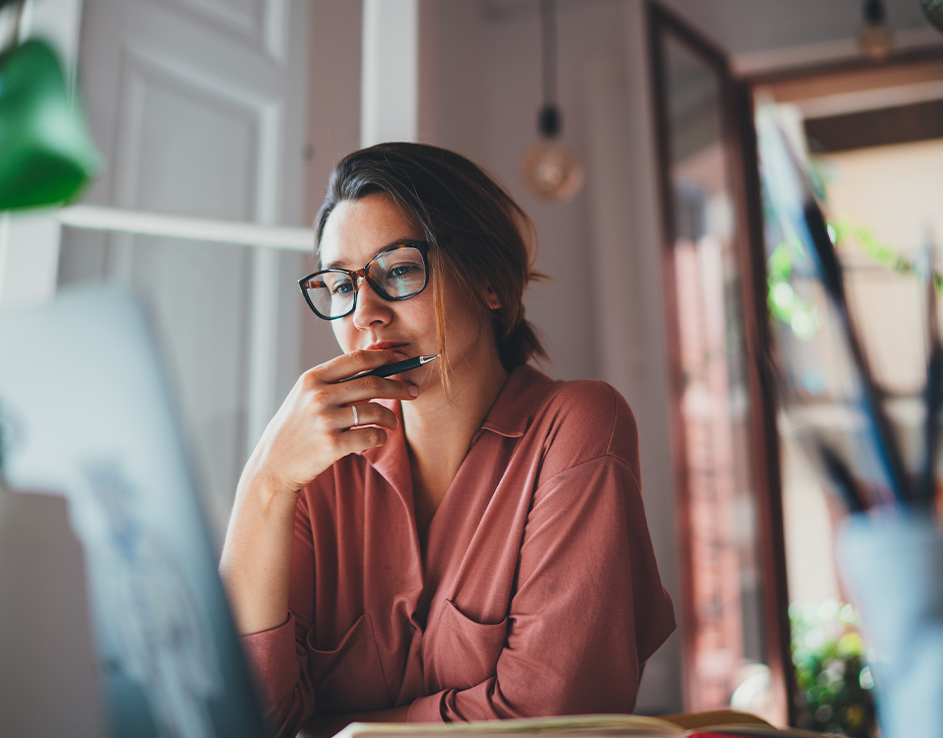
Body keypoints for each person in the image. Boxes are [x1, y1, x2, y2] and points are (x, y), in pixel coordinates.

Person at [220, 143, 676, 738]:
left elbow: (548, 719)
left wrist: (333, 728)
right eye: (339, 285)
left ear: (489, 280)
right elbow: (240, 720)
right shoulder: (313, 468)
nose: (365, 315)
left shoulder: (577, 426)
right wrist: (265, 483)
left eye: (401, 269)